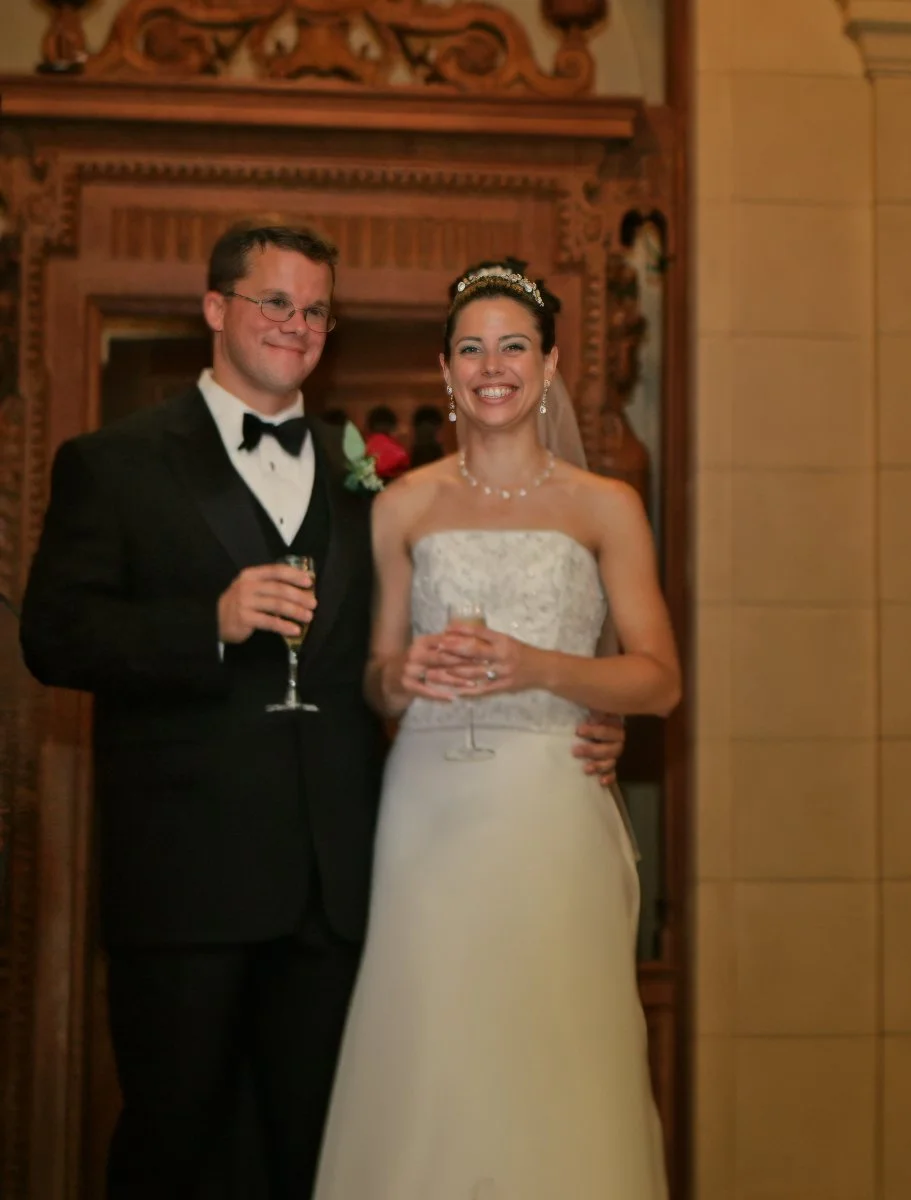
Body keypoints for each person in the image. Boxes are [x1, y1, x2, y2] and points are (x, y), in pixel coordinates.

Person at [18, 220, 624, 1199]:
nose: (296, 326)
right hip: (188, 883)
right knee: (176, 1144)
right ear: (215, 309)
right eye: (274, 303)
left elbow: (408, 655)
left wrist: (586, 714)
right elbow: (52, 637)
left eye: (314, 311)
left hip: (341, 890)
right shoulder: (115, 463)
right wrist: (206, 622)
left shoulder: (369, 484)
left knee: (322, 1158)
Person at [312, 258, 678, 1197]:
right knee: (433, 1041)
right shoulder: (403, 505)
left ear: (549, 363)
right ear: (445, 371)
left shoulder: (608, 508)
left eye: (514, 345)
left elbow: (659, 680)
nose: (492, 365)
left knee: (556, 1042)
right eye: (470, 348)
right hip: (430, 803)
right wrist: (400, 674)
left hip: (553, 799)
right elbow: (377, 682)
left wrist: (540, 667)